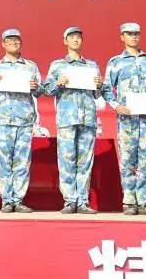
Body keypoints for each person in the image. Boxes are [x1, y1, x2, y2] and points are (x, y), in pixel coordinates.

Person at [43, 27, 109, 214]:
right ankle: (69, 200)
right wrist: (58, 83)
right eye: (71, 37)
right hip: (67, 119)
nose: (75, 40)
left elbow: (98, 94)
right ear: (65, 41)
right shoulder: (58, 65)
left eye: (78, 37)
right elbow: (46, 90)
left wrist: (99, 85)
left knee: (85, 161)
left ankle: (83, 201)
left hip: (87, 119)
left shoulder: (91, 66)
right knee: (67, 160)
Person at [104, 22, 146, 216]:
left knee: (145, 160)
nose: (134, 37)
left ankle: (143, 202)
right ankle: (130, 202)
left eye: (136, 34)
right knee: (127, 160)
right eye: (129, 34)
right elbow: (106, 88)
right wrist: (116, 105)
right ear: (122, 37)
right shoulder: (116, 62)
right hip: (127, 119)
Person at [0, 28, 43, 213]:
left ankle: (18, 200)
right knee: (3, 161)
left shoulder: (30, 66)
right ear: (3, 44)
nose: (13, 42)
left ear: (21, 43)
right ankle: (6, 200)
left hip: (24, 120)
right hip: (2, 120)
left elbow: (40, 91)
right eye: (9, 40)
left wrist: (35, 87)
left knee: (22, 161)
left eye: (16, 40)